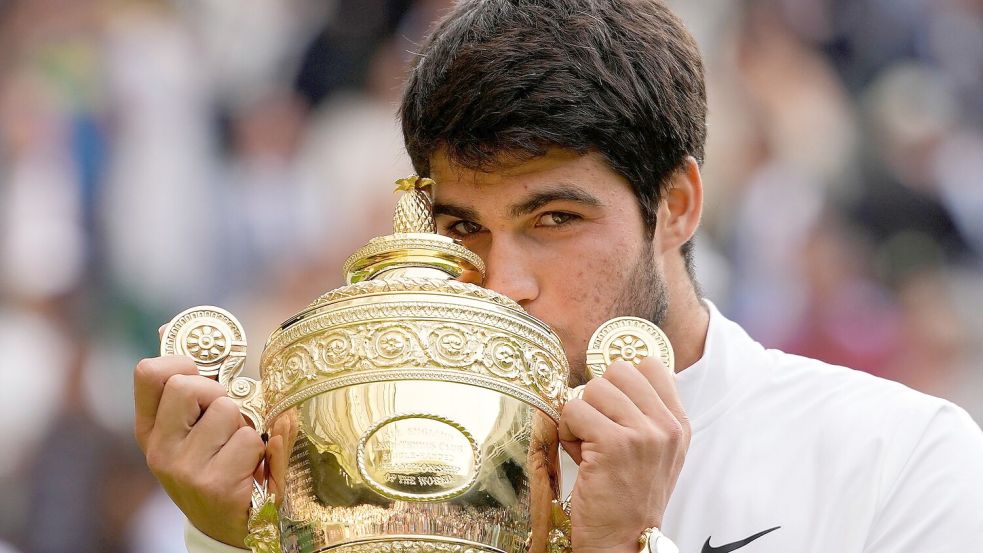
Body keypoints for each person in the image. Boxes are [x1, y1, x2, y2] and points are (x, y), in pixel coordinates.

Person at [133, 1, 983, 552]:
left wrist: (628, 546)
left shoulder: (898, 456)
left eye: (554, 220)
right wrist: (240, 539)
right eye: (462, 227)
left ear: (677, 204)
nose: (502, 283)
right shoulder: (360, 463)